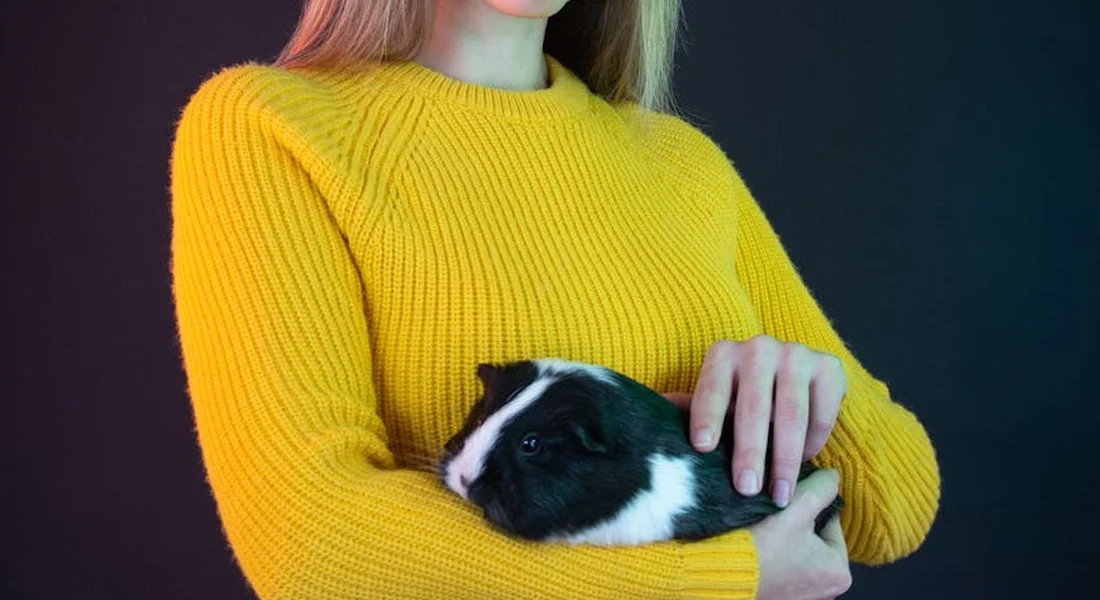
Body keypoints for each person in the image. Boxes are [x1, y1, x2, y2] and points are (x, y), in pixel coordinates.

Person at [168, 1, 941, 598]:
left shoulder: (683, 165)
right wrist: (716, 580)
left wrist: (814, 396)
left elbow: (894, 505)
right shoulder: (271, 130)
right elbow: (310, 541)